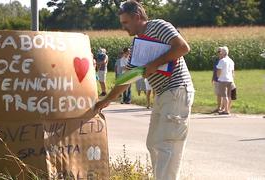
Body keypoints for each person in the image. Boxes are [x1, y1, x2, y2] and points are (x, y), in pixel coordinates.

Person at [94, 1, 194, 179]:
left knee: (166, 145)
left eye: (125, 22)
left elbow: (183, 47)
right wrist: (105, 100)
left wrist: (153, 65)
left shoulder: (159, 26)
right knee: (154, 143)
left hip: (177, 90)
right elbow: (127, 79)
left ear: (137, 17)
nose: (123, 27)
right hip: (163, 94)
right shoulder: (137, 44)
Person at [216, 46, 235, 115]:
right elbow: (233, 72)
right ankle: (228, 109)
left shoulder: (222, 61)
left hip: (223, 79)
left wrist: (218, 77)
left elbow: (219, 71)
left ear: (223, 52)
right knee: (229, 95)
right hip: (230, 79)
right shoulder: (231, 61)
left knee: (224, 95)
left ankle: (226, 110)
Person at [211, 49, 222, 113]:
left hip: (220, 80)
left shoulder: (223, 61)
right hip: (216, 79)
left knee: (220, 94)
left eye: (220, 52)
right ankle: (219, 107)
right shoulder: (217, 61)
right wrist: (213, 78)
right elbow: (214, 70)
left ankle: (220, 108)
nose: (219, 53)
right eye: (218, 52)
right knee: (218, 94)